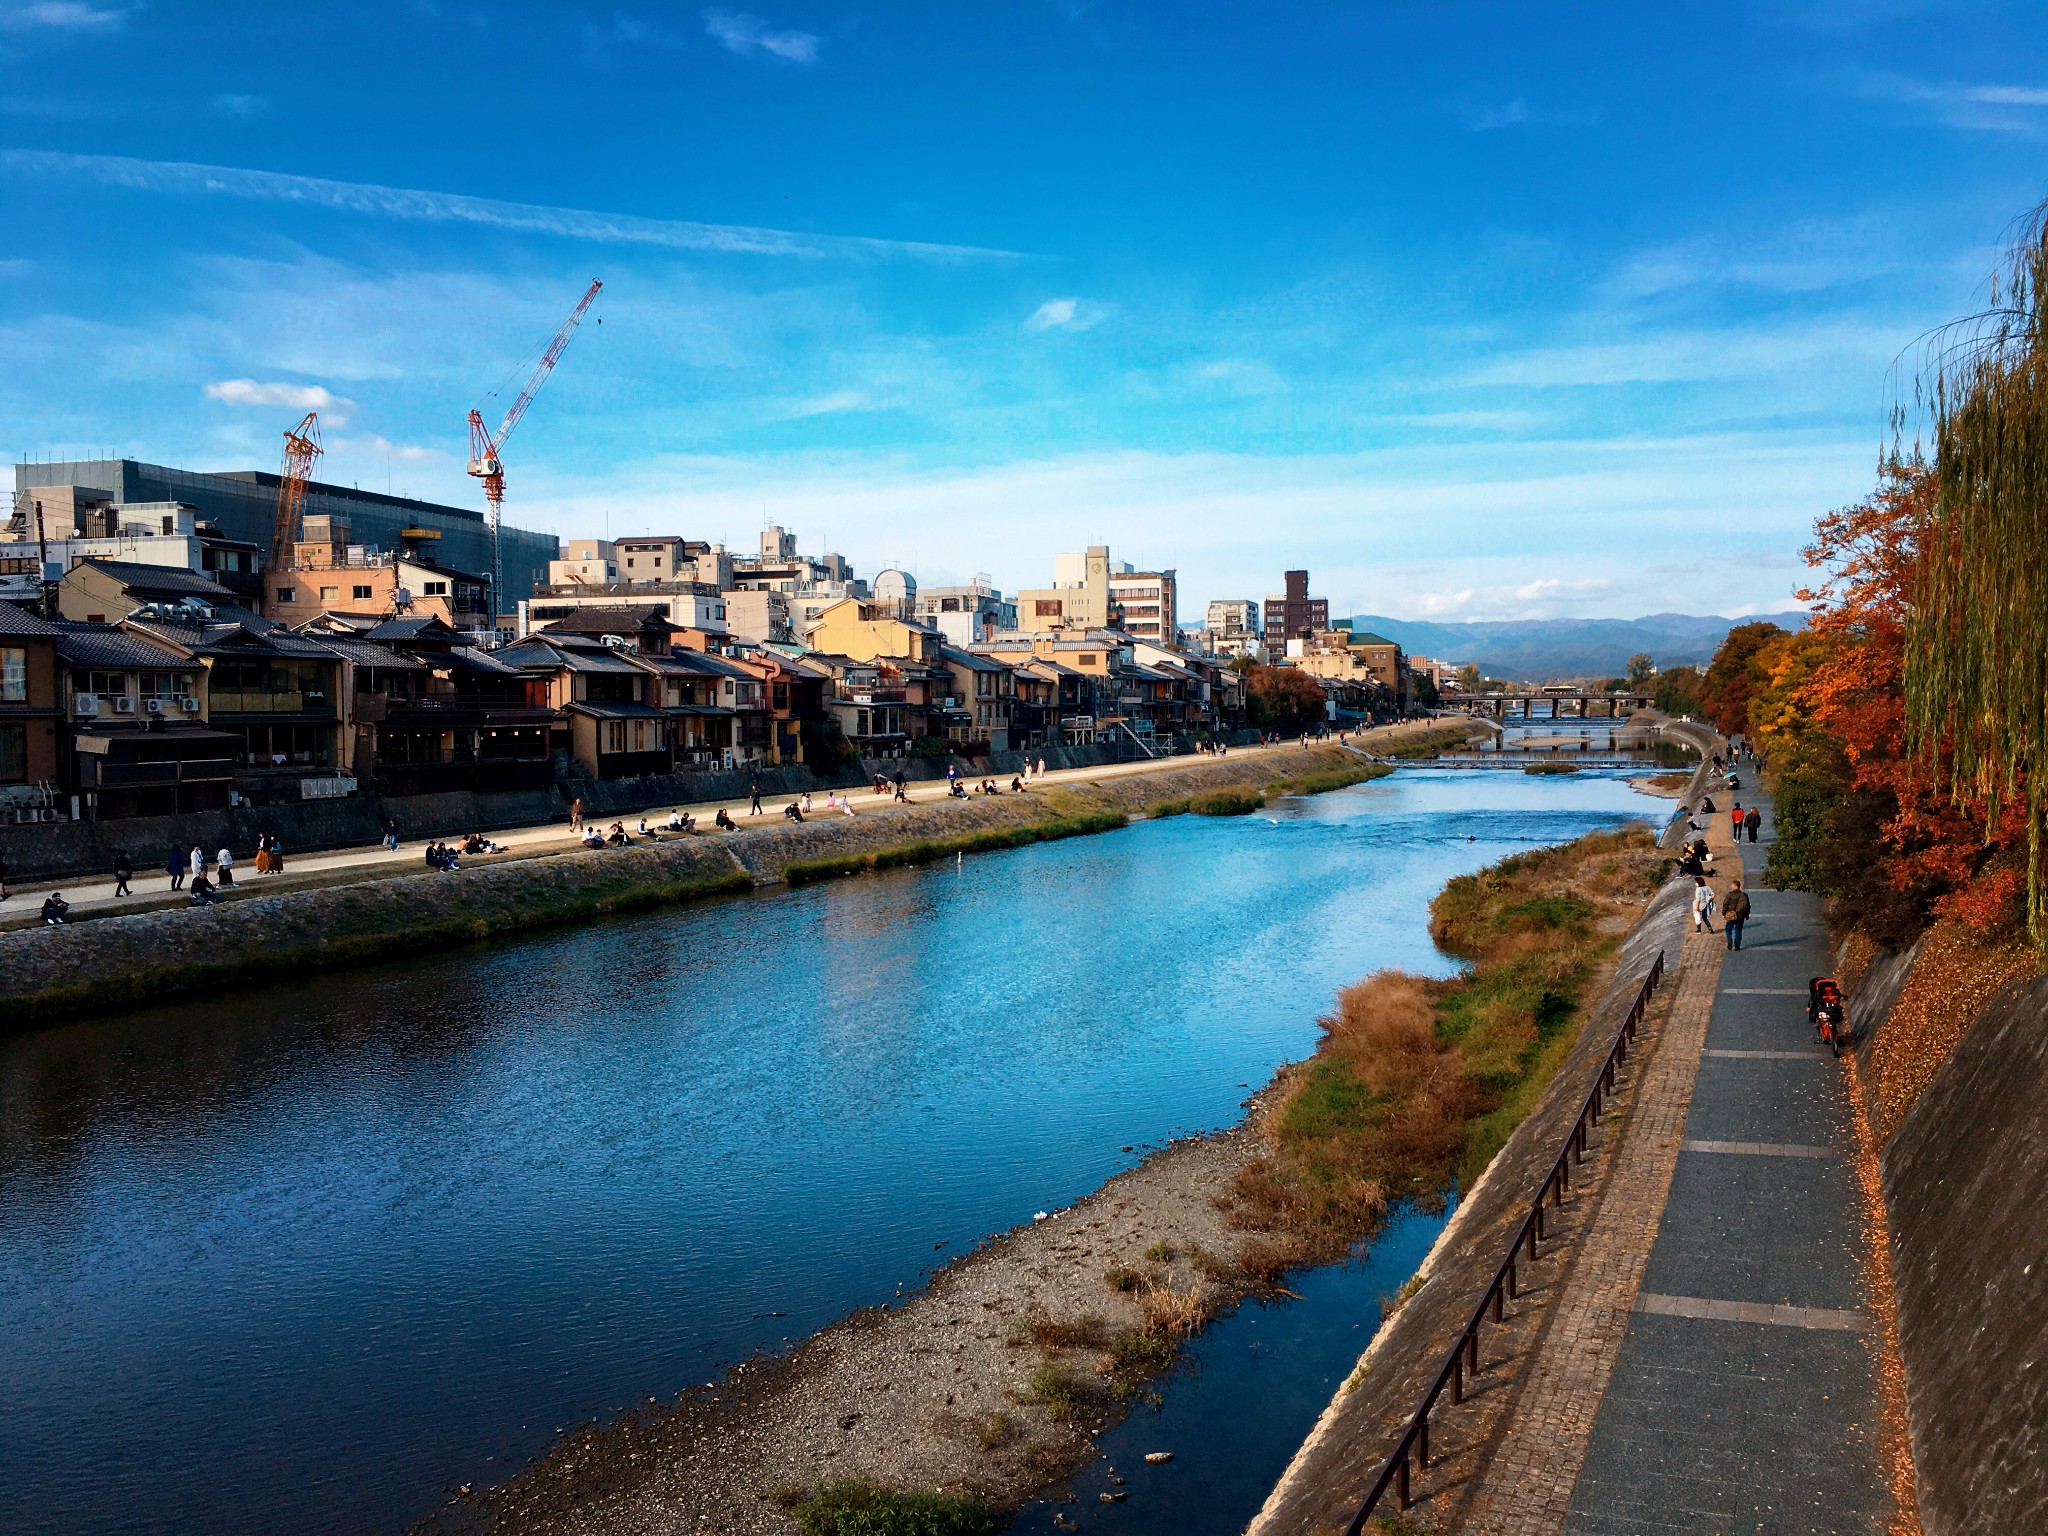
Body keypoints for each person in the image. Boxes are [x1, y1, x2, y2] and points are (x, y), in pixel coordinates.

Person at [1723, 879, 1751, 951]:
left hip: (1731, 914)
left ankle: (1729, 940)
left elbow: (1725, 904)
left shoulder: (1730, 894)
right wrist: (1747, 914)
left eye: (1732, 885)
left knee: (1728, 929)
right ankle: (1737, 946)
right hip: (1740, 915)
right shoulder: (1744, 895)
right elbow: (1747, 906)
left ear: (1735, 886)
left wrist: (1724, 913)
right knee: (1738, 931)